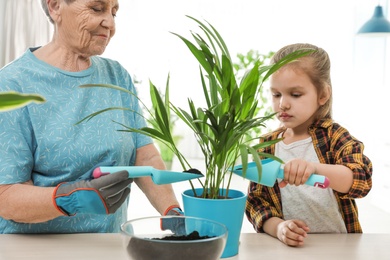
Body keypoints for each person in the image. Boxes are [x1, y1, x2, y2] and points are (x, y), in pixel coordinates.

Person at [0, 0, 183, 234]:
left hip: (107, 245)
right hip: (33, 250)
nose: (109, 24)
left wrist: (172, 211)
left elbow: (144, 156)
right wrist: (69, 199)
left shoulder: (116, 76)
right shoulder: (12, 85)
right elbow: (5, 195)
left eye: (114, 13)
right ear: (55, 7)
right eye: (97, 9)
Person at [245, 43, 373, 247]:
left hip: (341, 248)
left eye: (295, 95)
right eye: (276, 94)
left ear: (322, 95)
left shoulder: (335, 136)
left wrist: (313, 168)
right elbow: (257, 202)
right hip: (291, 249)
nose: (282, 104)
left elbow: (361, 179)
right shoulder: (266, 146)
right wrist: (279, 228)